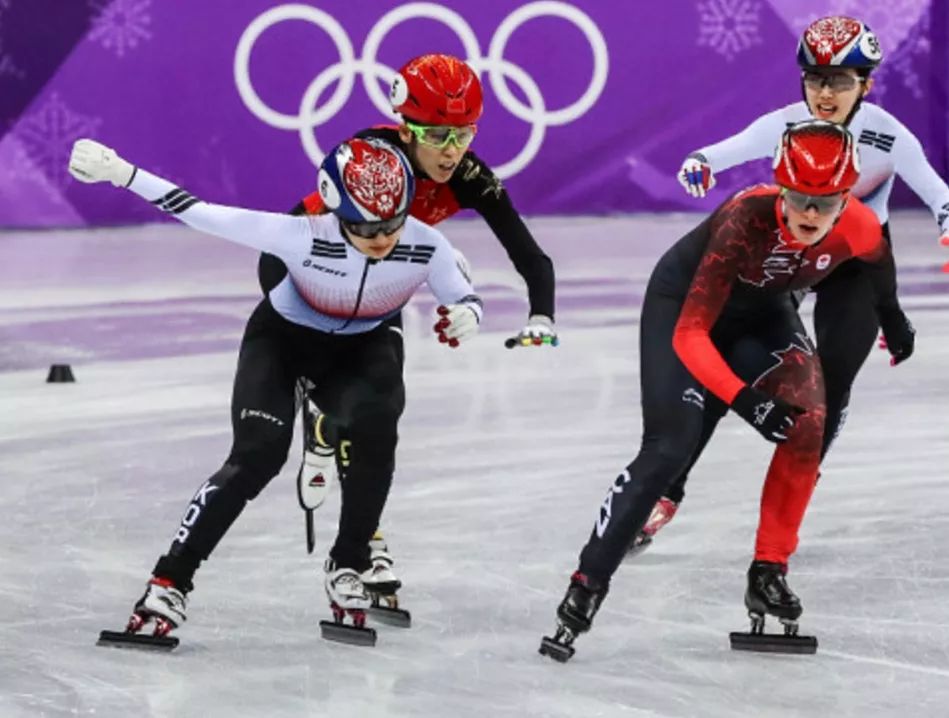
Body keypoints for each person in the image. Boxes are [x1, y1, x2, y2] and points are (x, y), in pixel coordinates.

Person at [68, 135, 483, 645]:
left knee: (378, 425)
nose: (381, 238)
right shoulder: (301, 235)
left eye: (391, 223)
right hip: (283, 342)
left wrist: (467, 315)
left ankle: (349, 563)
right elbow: (198, 211)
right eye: (365, 226)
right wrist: (121, 171)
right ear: (335, 210)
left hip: (360, 351)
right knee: (258, 455)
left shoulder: (425, 243)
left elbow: (463, 294)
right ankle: (169, 581)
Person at [538, 120, 915, 662]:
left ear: (845, 198)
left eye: (825, 201)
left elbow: (879, 263)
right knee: (670, 447)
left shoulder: (856, 225)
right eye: (801, 199)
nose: (811, 214)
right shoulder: (744, 221)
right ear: (782, 189)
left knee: (809, 421)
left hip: (763, 314)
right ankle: (588, 582)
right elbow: (692, 335)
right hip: (685, 310)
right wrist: (745, 399)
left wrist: (893, 319)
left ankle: (769, 570)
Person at [633, 15, 943, 550]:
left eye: (841, 80)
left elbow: (940, 194)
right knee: (721, 362)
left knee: (834, 380)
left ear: (866, 84)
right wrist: (700, 163)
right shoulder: (785, 124)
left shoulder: (887, 134)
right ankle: (667, 490)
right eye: (815, 79)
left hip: (855, 258)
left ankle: (798, 481)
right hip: (792, 251)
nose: (825, 93)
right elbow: (720, 151)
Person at [267, 54, 557, 584]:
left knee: (380, 411)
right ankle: (339, 453)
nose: (452, 152)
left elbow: (529, 254)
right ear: (406, 128)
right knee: (362, 399)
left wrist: (542, 315)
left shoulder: (467, 173)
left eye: (464, 134)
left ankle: (360, 529)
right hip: (308, 275)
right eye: (437, 135)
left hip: (377, 286)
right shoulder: (372, 157)